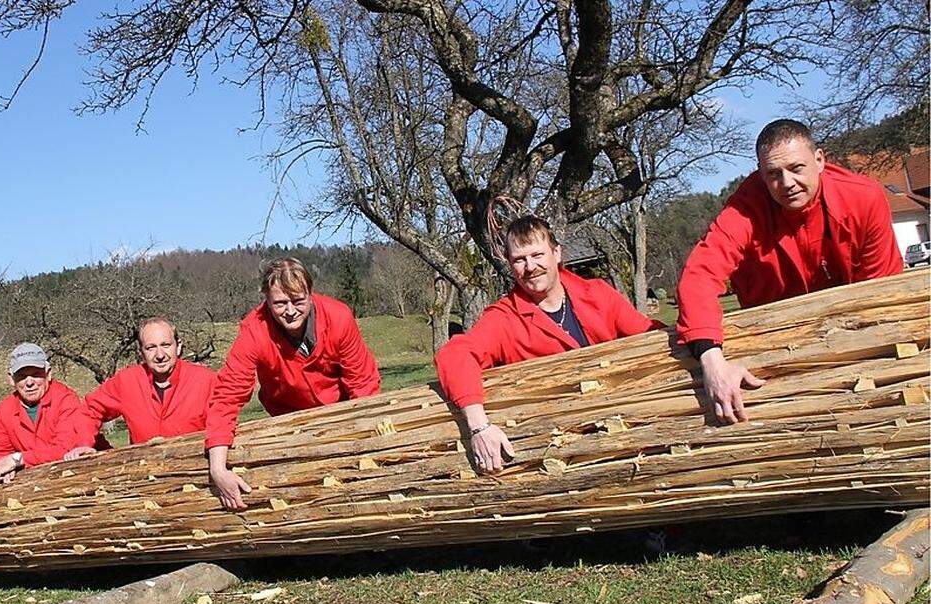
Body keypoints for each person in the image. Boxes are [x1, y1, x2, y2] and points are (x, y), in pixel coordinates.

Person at [676, 119, 904, 424]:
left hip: (852, 334)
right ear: (760, 174)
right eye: (772, 174)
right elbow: (699, 276)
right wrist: (711, 360)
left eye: (797, 168)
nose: (786, 183)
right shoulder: (744, 209)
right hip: (771, 343)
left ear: (820, 160)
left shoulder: (864, 198)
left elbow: (882, 288)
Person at [435, 214, 661, 473]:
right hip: (557, 451)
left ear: (557, 253)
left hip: (624, 430)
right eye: (519, 259)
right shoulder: (504, 318)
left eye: (537, 255)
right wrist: (479, 427)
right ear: (510, 265)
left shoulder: (598, 294)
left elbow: (649, 337)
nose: (530, 266)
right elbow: (455, 355)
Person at [206, 257, 382, 510]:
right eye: (280, 303)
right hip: (287, 420)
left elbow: (362, 384)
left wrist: (366, 440)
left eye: (298, 301)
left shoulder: (339, 316)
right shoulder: (254, 330)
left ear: (311, 293)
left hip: (342, 411)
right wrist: (218, 469)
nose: (290, 311)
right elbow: (228, 396)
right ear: (266, 299)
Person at [76, 317, 216, 448]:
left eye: (165, 345)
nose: (160, 355)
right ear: (141, 352)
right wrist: (85, 444)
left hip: (195, 468)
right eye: (151, 348)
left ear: (178, 346)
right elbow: (89, 410)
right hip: (144, 469)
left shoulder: (205, 380)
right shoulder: (127, 381)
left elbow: (224, 423)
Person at [0, 343, 97, 484]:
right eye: (22, 376)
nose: (29, 382)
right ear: (11, 379)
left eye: (36, 374)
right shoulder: (5, 409)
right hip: (38, 482)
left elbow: (65, 450)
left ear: (48, 374)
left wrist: (17, 460)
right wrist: (2, 465)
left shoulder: (65, 399)